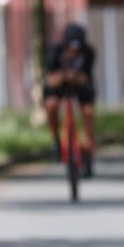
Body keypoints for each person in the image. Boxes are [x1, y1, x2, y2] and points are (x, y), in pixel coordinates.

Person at [44, 23, 96, 177]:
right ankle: (56, 140)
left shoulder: (88, 52)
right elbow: (50, 80)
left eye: (77, 48)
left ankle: (87, 152)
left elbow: (86, 78)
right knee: (51, 105)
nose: (74, 51)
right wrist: (63, 77)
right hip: (59, 86)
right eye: (71, 47)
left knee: (89, 113)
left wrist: (75, 77)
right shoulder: (54, 52)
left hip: (80, 86)